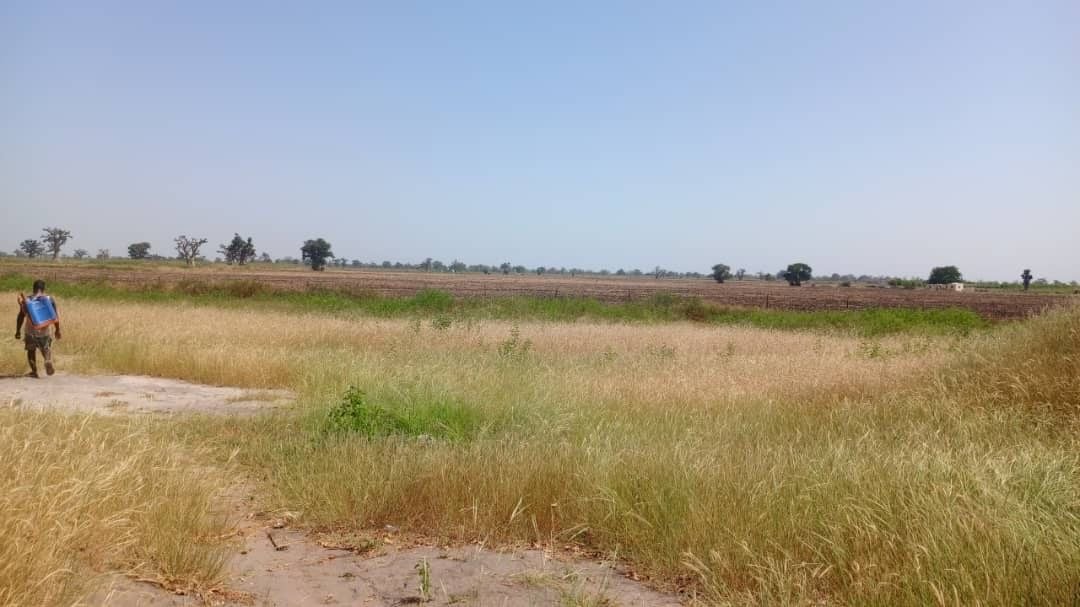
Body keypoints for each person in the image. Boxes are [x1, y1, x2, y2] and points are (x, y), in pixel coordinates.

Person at [14, 280, 61, 378]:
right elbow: (55, 316)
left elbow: (21, 316)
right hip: (44, 330)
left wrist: (18, 330)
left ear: (33, 288)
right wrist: (57, 330)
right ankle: (47, 360)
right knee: (46, 348)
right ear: (43, 289)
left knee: (31, 351)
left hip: (30, 331)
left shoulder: (27, 300)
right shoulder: (49, 299)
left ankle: (34, 372)